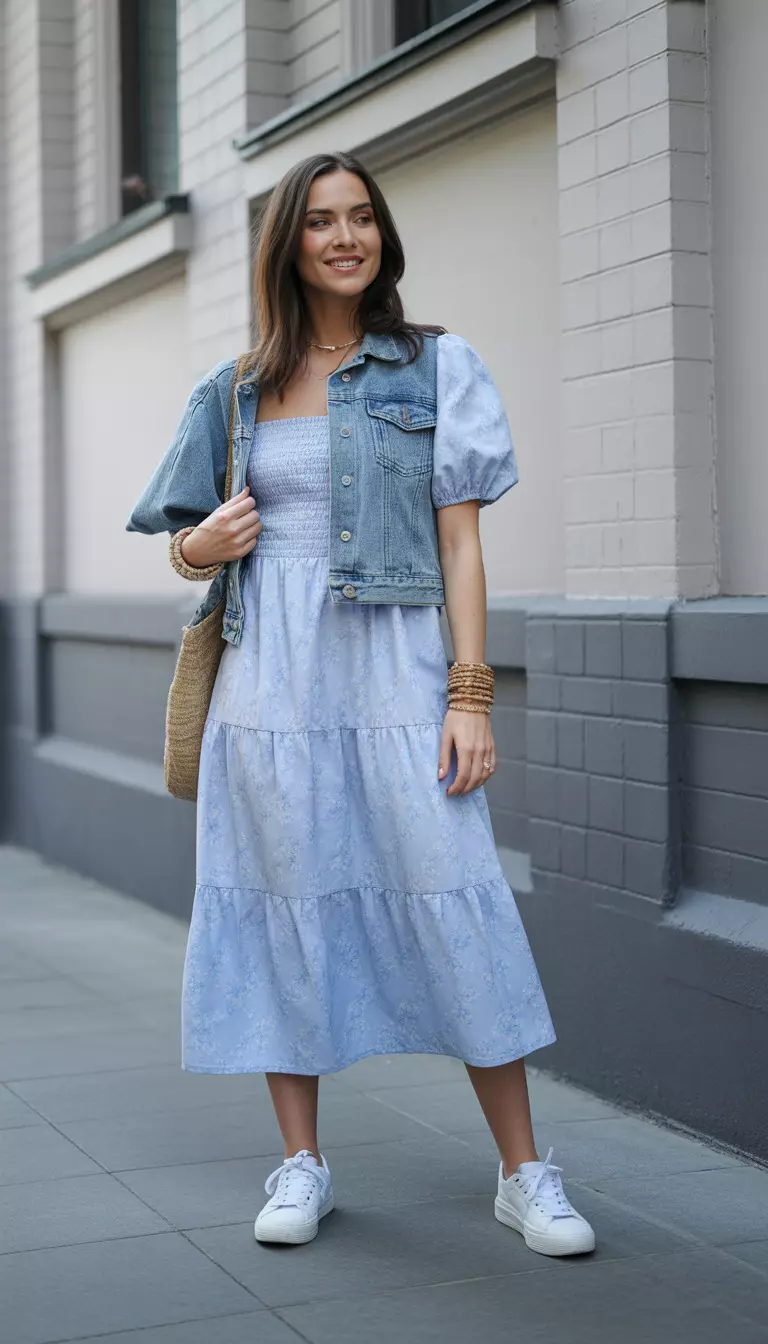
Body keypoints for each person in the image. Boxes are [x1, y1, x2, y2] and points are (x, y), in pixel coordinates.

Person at [126, 151, 596, 1259]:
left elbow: (462, 545)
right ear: (287, 243)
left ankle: (524, 1171)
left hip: (393, 671)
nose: (347, 237)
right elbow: (181, 539)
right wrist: (201, 544)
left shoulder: (435, 367)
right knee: (283, 892)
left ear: (382, 236)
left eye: (363, 219)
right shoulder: (235, 389)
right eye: (322, 222)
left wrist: (469, 696)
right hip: (266, 683)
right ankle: (302, 1161)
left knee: (454, 888)